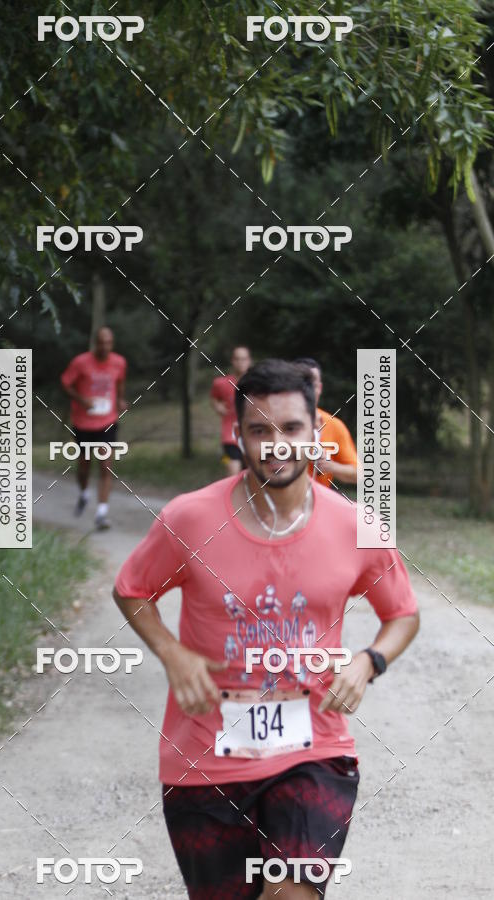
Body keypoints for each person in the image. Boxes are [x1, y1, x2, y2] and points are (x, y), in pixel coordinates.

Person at [113, 359, 419, 899]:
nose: (277, 444)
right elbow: (132, 589)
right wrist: (172, 654)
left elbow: (403, 614)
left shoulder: (357, 525)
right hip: (204, 760)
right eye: (260, 430)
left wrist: (369, 660)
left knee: (293, 892)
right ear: (239, 436)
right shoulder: (189, 519)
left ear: (316, 434)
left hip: (314, 751)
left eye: (292, 429)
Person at [61, 327, 127, 529]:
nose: (105, 347)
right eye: (101, 343)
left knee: (106, 466)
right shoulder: (81, 363)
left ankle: (101, 514)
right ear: (95, 343)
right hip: (83, 423)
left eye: (109, 343)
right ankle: (84, 493)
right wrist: (81, 400)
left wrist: (121, 400)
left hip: (107, 421)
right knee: (84, 466)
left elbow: (120, 383)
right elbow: (65, 384)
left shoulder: (119, 362)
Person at [293, 358, 357, 489]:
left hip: (317, 503)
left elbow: (358, 474)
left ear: (320, 388)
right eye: (300, 384)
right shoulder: (273, 421)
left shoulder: (333, 425)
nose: (306, 391)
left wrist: (330, 465)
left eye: (312, 385)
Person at [210, 346, 252, 475]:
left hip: (252, 437)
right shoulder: (220, 383)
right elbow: (214, 398)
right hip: (230, 437)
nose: (241, 363)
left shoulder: (257, 383)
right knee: (233, 476)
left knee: (252, 479)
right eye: (237, 359)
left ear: (249, 361)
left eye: (244, 359)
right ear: (232, 361)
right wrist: (217, 406)